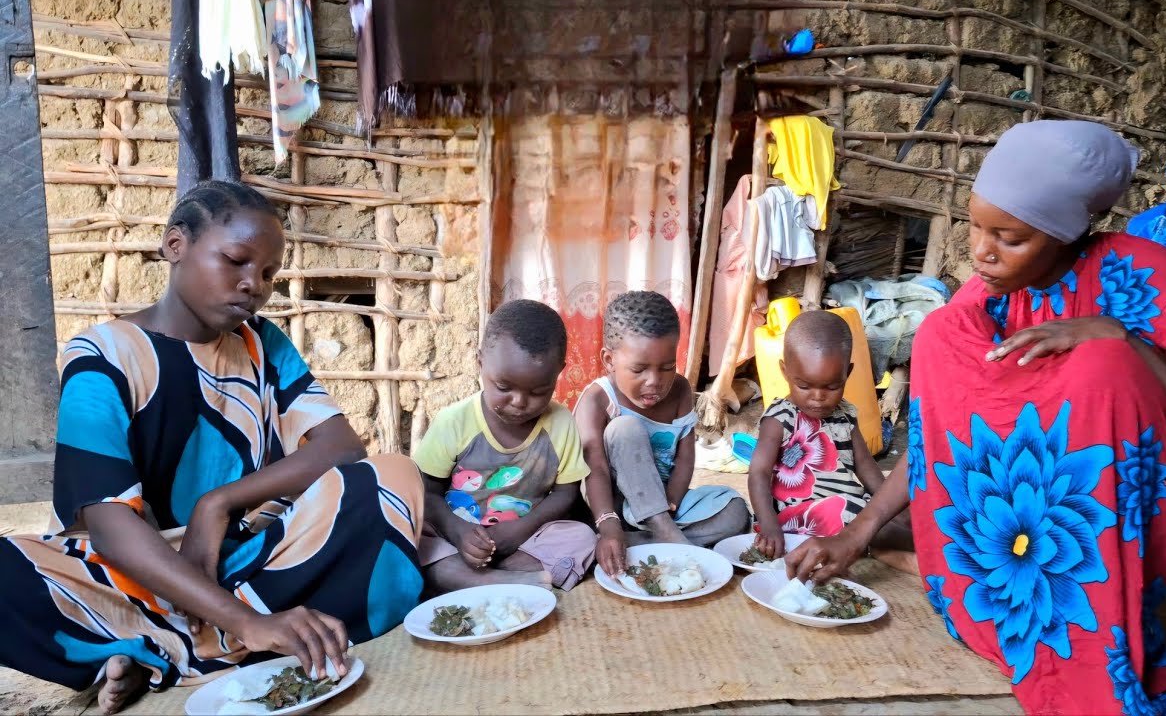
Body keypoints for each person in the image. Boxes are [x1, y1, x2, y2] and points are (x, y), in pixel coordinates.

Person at [786, 120, 1166, 715]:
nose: (981, 252)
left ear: (1068, 233)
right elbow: (942, 429)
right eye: (976, 227)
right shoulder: (992, 292)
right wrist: (856, 533)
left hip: (1162, 497)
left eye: (1008, 237)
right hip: (1035, 519)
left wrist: (1125, 342)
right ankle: (1007, 591)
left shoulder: (1139, 273)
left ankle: (1086, 621)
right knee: (941, 335)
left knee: (1102, 365)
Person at [0, 181, 427, 713]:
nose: (254, 285)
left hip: (251, 554)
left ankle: (158, 651)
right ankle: (230, 638)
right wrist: (246, 619)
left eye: (268, 274)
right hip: (138, 572)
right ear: (176, 245)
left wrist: (216, 504)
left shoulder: (262, 342)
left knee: (392, 475)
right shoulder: (101, 356)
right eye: (236, 261)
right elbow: (110, 528)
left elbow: (341, 447)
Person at [414, 299, 597, 593]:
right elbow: (426, 492)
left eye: (538, 391)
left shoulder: (560, 422)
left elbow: (567, 493)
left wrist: (521, 529)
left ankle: (475, 581)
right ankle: (512, 582)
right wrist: (458, 532)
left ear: (558, 373)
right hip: (457, 534)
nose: (519, 402)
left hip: (525, 536)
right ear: (480, 362)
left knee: (582, 537)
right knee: (414, 537)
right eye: (503, 387)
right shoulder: (454, 422)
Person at [576, 291, 750, 576]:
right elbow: (593, 468)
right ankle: (660, 539)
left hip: (665, 506)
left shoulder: (680, 389)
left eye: (667, 367)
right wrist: (609, 525)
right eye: (639, 369)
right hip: (613, 510)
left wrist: (672, 501)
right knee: (624, 429)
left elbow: (685, 457)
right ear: (609, 360)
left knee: (734, 508)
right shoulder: (597, 400)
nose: (654, 382)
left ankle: (644, 542)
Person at [746, 311, 885, 556]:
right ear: (784, 371)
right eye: (804, 386)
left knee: (887, 515)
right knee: (872, 524)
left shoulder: (846, 414)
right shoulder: (779, 418)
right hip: (797, 519)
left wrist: (888, 505)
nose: (818, 397)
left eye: (832, 386)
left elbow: (866, 467)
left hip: (846, 510)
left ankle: (918, 539)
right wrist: (768, 525)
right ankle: (926, 544)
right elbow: (759, 472)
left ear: (847, 374)